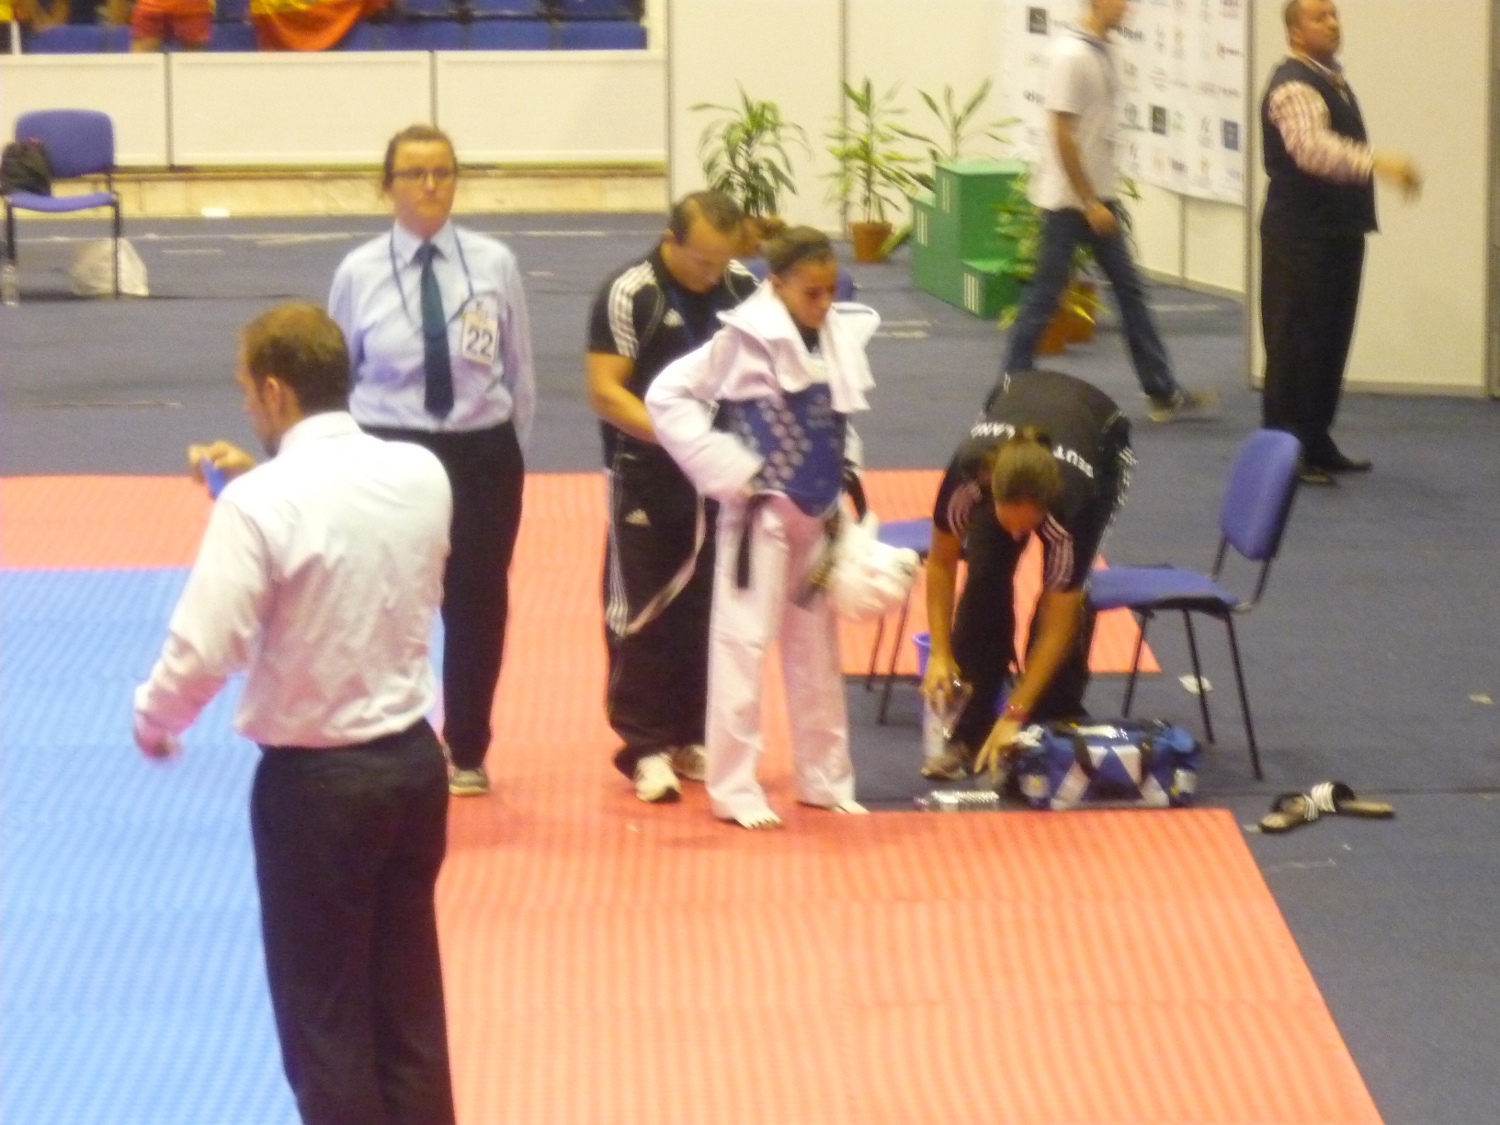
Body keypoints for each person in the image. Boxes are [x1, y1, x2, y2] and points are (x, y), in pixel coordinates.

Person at [133, 304, 457, 1125]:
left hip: (319, 787)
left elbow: (206, 648)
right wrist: (255, 483)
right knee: (408, 1006)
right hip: (415, 768)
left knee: (327, 1022)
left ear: (275, 390)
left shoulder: (260, 504)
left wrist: (155, 717)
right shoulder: (423, 473)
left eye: (247, 389)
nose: (246, 405)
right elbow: (339, 525)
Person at [328, 123, 535, 797]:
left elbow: (518, 371)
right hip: (389, 445)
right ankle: (383, 733)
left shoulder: (494, 262)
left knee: (478, 600)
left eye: (443, 172)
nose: (430, 185)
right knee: (384, 596)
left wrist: (505, 449)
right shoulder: (358, 272)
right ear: (386, 186)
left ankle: (467, 746)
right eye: (414, 173)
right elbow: (338, 376)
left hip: (480, 450)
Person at [646, 228, 877, 829]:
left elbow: (838, 417)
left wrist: (846, 472)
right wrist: (727, 468)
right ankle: (734, 790)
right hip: (760, 516)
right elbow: (666, 396)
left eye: (830, 291)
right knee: (741, 647)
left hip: (818, 512)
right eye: (810, 293)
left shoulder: (839, 335)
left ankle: (825, 780)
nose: (823, 303)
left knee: (818, 653)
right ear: (776, 284)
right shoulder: (742, 339)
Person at [586, 191, 760, 803]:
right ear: (671, 242)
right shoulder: (631, 292)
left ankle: (691, 734)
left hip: (718, 472)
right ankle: (644, 746)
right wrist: (682, 438)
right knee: (642, 604)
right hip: (644, 469)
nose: (713, 275)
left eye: (722, 261)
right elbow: (606, 391)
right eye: (702, 262)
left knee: (708, 603)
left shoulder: (742, 288)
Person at [1002, 0, 1214, 422]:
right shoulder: (1070, 56)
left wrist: (1098, 199)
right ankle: (1009, 392)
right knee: (1046, 295)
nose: (1128, 7)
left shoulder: (1103, 51)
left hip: (1098, 198)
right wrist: (1088, 201)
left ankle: (1161, 392)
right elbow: (1061, 134)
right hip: (1070, 202)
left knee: (1128, 291)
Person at [920, 368, 1133, 780]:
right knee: (985, 575)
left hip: (1100, 437)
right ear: (992, 496)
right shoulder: (967, 479)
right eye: (1011, 523)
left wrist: (1016, 712)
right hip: (1015, 397)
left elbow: (1058, 617)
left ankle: (1046, 725)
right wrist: (941, 655)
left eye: (1028, 526)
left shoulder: (1071, 502)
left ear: (1046, 505)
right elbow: (942, 563)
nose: (1020, 535)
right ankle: (968, 733)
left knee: (1070, 589)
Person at [1260, 0, 1421, 485]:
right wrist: (1378, 162)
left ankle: (1315, 439)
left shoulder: (1331, 80)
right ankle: (1285, 452)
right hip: (1300, 236)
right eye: (1320, 17)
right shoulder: (1293, 85)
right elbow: (1311, 150)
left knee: (1330, 342)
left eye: (1334, 14)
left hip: (1336, 233)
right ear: (1295, 33)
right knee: (1297, 345)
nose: (1333, 23)